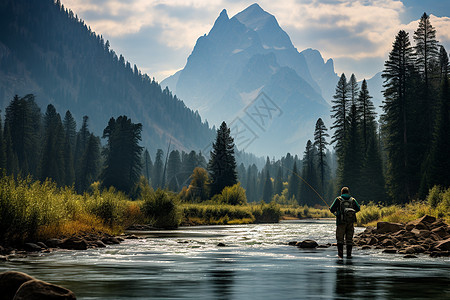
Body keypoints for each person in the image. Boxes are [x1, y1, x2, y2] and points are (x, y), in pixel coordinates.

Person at [330, 187, 360, 258]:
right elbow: (358, 209)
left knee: (340, 239)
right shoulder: (352, 199)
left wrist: (337, 213)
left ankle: (340, 255)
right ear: (348, 192)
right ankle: (349, 255)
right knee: (349, 239)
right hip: (350, 222)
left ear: (342, 192)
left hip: (340, 222)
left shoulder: (338, 199)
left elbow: (332, 209)